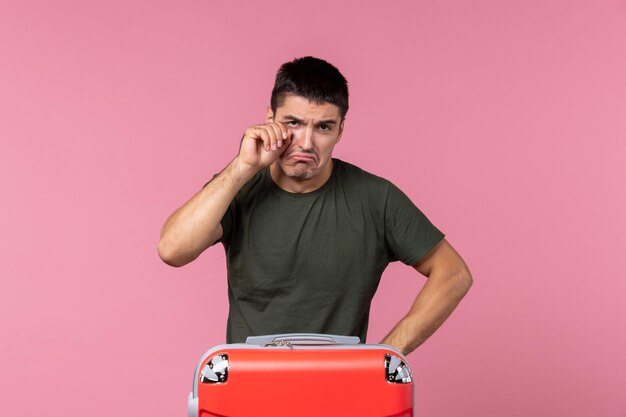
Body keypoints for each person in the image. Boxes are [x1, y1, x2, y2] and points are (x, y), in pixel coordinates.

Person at [158, 56, 472, 356]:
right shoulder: (238, 187)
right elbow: (172, 250)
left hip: (339, 390)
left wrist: (384, 354)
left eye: (323, 127)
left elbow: (453, 274)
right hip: (251, 386)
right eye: (293, 123)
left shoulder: (376, 198)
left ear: (340, 130)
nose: (306, 143)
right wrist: (242, 167)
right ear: (270, 120)